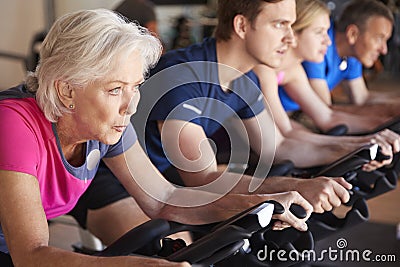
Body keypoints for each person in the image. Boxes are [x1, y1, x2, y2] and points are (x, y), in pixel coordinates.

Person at [0, 8, 313, 267]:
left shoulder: (104, 123)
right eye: (115, 89)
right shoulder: (14, 124)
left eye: (134, 87)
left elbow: (164, 198)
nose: (131, 105)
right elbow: (30, 255)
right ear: (67, 90)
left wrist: (259, 205)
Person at [133, 0, 355, 216]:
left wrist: (356, 148)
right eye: (279, 24)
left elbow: (278, 146)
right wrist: (296, 186)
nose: (290, 39)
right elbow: (203, 177)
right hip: (124, 182)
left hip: (167, 180)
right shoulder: (181, 75)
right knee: (181, 249)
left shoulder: (244, 80)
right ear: (241, 26)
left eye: (290, 25)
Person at [252, 0, 400, 169]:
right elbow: (285, 134)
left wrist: (370, 138)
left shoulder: (295, 70)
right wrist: (354, 145)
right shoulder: (265, 70)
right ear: (294, 35)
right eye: (319, 32)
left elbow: (327, 116)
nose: (328, 41)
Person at [301, 0, 400, 120]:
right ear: (353, 34)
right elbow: (325, 111)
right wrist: (390, 110)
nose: (384, 50)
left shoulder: (352, 54)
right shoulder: (318, 45)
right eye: (379, 38)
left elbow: (361, 98)